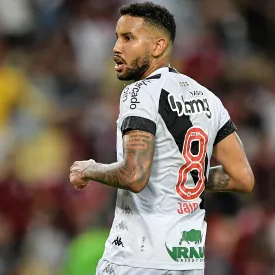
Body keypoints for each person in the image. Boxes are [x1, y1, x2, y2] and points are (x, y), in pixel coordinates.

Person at [69, 2, 254, 274]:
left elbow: (134, 175)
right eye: (117, 37)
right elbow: (242, 178)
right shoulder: (208, 99)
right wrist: (179, 177)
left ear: (157, 47)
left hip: (137, 260)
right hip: (186, 261)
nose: (116, 48)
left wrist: (90, 168)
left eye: (128, 38)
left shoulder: (139, 93)